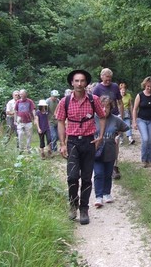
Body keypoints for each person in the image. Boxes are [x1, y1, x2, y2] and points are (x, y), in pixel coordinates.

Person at [56, 70, 106, 225]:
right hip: (72, 143)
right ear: (72, 82)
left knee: (86, 177)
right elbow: (60, 121)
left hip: (88, 142)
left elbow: (102, 116)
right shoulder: (64, 101)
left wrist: (100, 136)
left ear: (86, 83)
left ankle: (84, 209)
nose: (79, 84)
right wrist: (63, 143)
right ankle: (73, 205)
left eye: (82, 81)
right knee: (72, 177)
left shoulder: (93, 99)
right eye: (76, 81)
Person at [93, 96, 129, 208]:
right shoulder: (93, 119)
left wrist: (117, 134)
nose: (104, 109)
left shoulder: (115, 119)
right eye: (102, 107)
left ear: (111, 107)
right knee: (98, 174)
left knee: (108, 174)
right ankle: (98, 196)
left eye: (107, 107)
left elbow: (126, 127)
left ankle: (107, 193)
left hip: (110, 151)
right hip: (96, 152)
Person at [92, 68, 124, 179]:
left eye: (110, 78)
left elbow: (120, 102)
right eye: (106, 77)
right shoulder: (97, 89)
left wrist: (121, 116)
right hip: (101, 117)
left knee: (115, 141)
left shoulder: (115, 86)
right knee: (103, 139)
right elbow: (93, 104)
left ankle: (114, 166)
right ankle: (99, 160)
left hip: (114, 116)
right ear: (102, 77)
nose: (108, 80)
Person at [132, 77, 151, 168]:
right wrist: (134, 122)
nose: (149, 88)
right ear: (144, 86)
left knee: (150, 141)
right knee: (145, 139)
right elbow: (135, 109)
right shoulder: (140, 95)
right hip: (141, 120)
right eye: (147, 86)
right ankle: (143, 159)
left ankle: (149, 160)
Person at [14, 89, 36, 153]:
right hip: (20, 122)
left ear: (26, 94)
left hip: (28, 121)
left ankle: (28, 148)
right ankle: (21, 149)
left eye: (22, 94)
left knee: (29, 135)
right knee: (20, 135)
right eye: (20, 94)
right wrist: (14, 120)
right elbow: (15, 111)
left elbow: (33, 110)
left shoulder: (30, 101)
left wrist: (35, 118)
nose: (20, 95)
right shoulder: (18, 102)